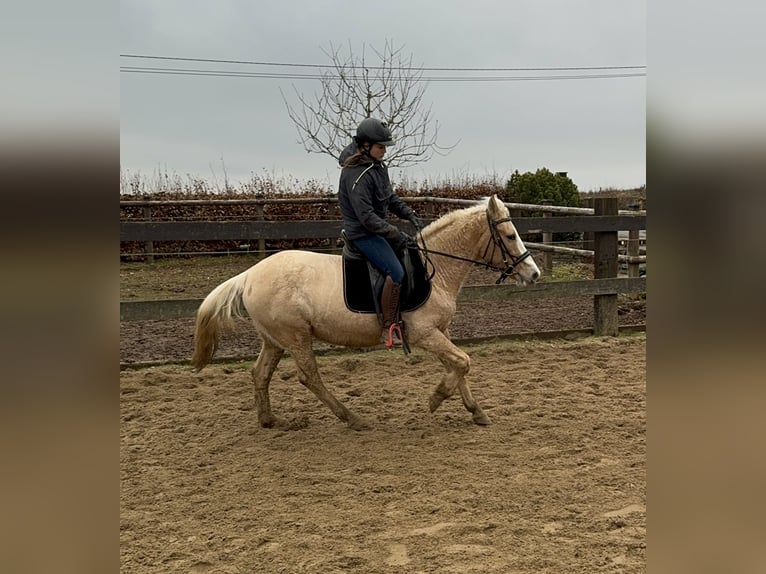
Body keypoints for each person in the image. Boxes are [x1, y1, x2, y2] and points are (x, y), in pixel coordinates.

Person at [337, 118, 423, 344]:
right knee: (396, 272)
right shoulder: (357, 174)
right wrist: (394, 233)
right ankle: (388, 326)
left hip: (375, 230)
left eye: (385, 146)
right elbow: (367, 218)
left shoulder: (376, 167)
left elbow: (389, 197)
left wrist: (409, 214)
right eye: (381, 146)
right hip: (363, 234)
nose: (384, 150)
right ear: (366, 146)